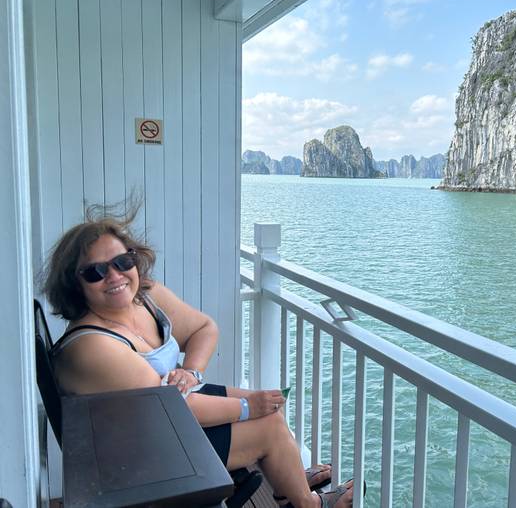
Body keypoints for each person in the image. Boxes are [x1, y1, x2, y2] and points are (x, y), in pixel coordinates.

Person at [43, 202, 353, 508]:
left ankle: (288, 483)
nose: (114, 276)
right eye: (95, 272)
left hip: (157, 425)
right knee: (269, 424)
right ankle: (311, 504)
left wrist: (191, 372)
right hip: (138, 461)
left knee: (270, 405)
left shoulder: (145, 297)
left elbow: (204, 328)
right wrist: (247, 407)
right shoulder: (92, 346)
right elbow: (172, 409)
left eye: (123, 262)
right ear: (75, 284)